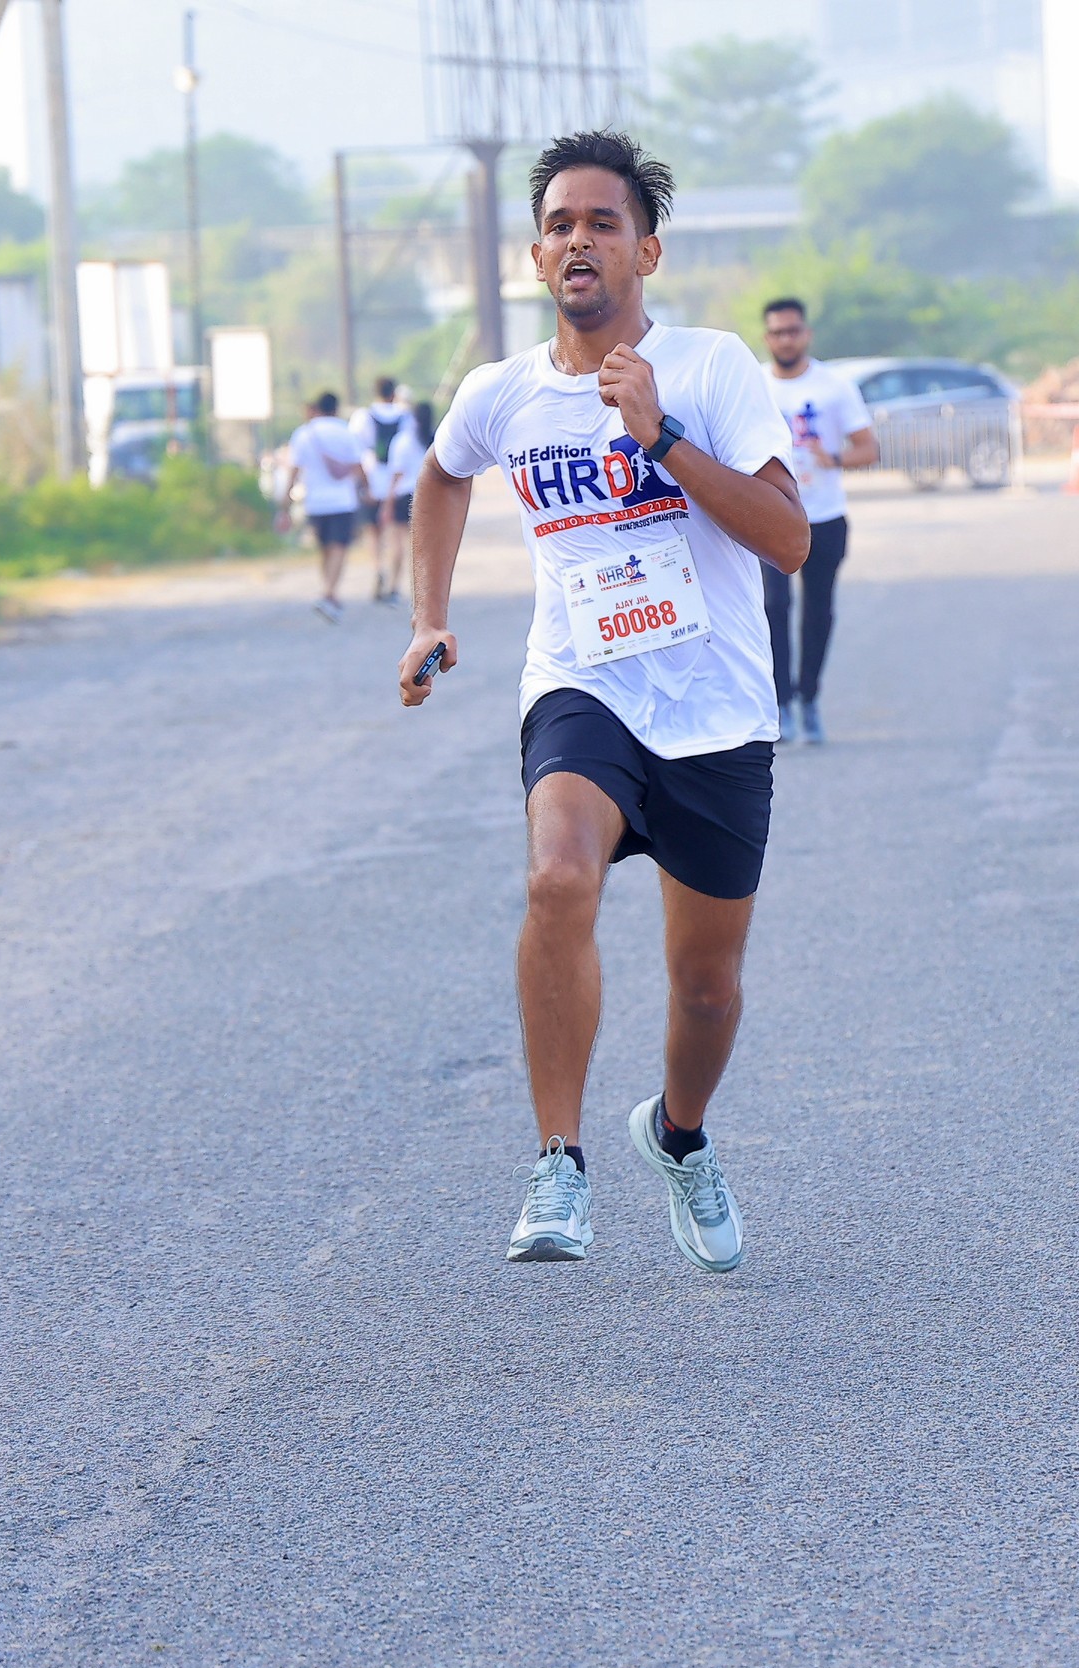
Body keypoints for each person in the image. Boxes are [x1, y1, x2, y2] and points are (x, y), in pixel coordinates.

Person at [396, 128, 805, 1272]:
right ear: (536, 257)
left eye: (603, 223)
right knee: (557, 878)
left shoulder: (712, 369)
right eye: (559, 226)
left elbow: (788, 540)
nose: (579, 241)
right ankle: (558, 1162)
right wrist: (428, 614)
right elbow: (441, 474)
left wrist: (659, 435)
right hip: (583, 684)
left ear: (647, 251)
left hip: (716, 708)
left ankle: (678, 1135)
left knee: (707, 988)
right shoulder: (501, 393)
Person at [757, 296, 877, 744]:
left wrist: (836, 458)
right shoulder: (754, 384)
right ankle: (781, 704)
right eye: (778, 332)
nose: (786, 340)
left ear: (806, 334)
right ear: (767, 338)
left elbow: (868, 447)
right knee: (772, 608)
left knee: (818, 612)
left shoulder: (833, 386)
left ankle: (809, 698)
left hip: (823, 516)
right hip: (769, 516)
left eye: (793, 331)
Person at [288, 392, 366, 621]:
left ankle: (328, 592)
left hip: (315, 502)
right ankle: (329, 592)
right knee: (339, 546)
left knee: (324, 547)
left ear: (317, 408)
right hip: (343, 500)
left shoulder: (304, 433)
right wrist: (367, 488)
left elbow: (294, 469)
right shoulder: (346, 432)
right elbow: (359, 466)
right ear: (336, 408)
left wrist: (285, 499)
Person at [350, 377, 425, 607]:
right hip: (400, 486)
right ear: (394, 393)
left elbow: (355, 450)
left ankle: (377, 569)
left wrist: (362, 484)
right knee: (399, 537)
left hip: (374, 481)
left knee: (373, 533)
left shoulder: (363, 417)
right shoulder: (406, 418)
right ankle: (395, 583)